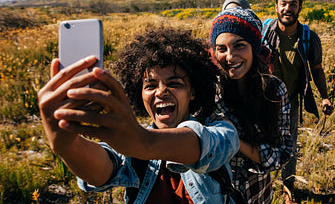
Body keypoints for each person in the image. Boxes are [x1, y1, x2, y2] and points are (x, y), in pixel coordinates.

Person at [37, 27, 240, 204]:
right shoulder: (130, 144)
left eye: (174, 83)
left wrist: (144, 143)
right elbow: (101, 172)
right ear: (139, 94)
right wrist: (67, 146)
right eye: (150, 85)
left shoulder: (220, 129)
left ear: (193, 92)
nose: (161, 91)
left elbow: (208, 146)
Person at [209, 7, 293, 204]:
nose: (230, 56)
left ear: (254, 47)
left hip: (257, 193)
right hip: (214, 195)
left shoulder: (273, 90)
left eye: (239, 46)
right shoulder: (209, 91)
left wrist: (233, 138)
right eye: (222, 48)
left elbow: (281, 155)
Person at [261, 0, 334, 203]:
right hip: (263, 101)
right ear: (276, 6)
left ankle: (287, 190)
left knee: (289, 147)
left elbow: (317, 69)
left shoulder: (309, 38)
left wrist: (325, 96)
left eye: (293, 4)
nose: (287, 8)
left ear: (300, 7)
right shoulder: (263, 34)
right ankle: (262, 186)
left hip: (290, 103)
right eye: (283, 3)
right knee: (261, 144)